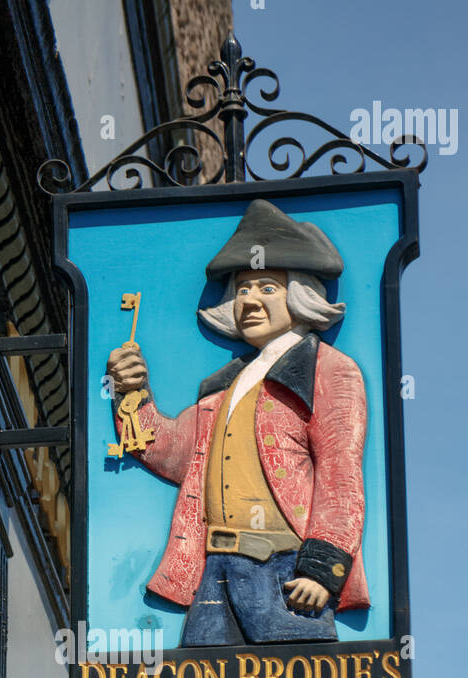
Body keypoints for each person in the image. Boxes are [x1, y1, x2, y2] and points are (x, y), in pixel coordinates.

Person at [105, 199, 369, 645]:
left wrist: (322, 570)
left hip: (286, 571)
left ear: (300, 295)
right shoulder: (224, 385)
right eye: (243, 289)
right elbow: (169, 453)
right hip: (214, 571)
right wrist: (132, 390)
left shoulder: (330, 370)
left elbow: (341, 476)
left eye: (266, 287)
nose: (249, 300)